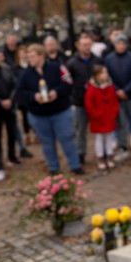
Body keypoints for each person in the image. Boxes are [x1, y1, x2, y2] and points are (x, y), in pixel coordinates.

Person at [15, 43, 82, 174]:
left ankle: (75, 165)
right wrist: (34, 96)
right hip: (39, 115)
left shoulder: (57, 67)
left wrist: (56, 92)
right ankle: (53, 168)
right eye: (28, 57)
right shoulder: (26, 74)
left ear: (41, 56)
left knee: (67, 139)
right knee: (47, 143)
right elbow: (20, 92)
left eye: (32, 56)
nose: (30, 59)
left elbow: (68, 82)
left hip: (60, 112)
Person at [0, 48, 29, 169]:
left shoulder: (7, 69)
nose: (2, 58)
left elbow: (15, 85)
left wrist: (10, 99)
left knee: (12, 132)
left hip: (9, 106)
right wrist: (0, 101)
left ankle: (12, 156)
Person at [105, 34, 131, 151]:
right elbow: (107, 77)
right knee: (121, 123)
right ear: (115, 45)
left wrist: (126, 90)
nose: (121, 46)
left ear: (126, 45)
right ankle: (123, 146)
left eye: (123, 44)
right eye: (118, 44)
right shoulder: (109, 59)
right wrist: (117, 90)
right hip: (117, 97)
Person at [84, 63, 119, 170]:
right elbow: (89, 103)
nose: (106, 74)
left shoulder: (110, 86)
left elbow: (114, 100)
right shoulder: (92, 88)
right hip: (98, 119)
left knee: (109, 137)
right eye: (104, 72)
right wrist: (96, 114)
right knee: (99, 138)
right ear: (98, 75)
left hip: (109, 117)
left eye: (106, 72)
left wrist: (114, 112)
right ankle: (100, 158)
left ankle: (109, 156)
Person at [66, 34, 94, 164]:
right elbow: (68, 81)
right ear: (79, 46)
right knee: (80, 130)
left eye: (88, 45)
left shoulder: (97, 60)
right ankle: (80, 153)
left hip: (96, 102)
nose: (87, 47)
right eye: (84, 45)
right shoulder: (72, 63)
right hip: (80, 102)